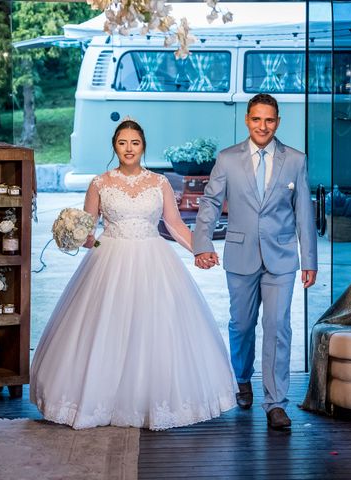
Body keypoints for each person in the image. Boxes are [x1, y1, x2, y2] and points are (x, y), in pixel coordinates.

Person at [30, 118, 236, 430]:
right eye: (123, 143)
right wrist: (78, 236)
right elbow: (90, 233)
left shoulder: (160, 183)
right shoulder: (100, 183)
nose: (129, 148)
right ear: (115, 146)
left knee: (154, 328)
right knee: (105, 328)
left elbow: (174, 225)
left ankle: (151, 401)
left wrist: (199, 249)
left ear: (143, 147)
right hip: (109, 257)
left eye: (135, 143)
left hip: (153, 256)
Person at [193, 93, 317, 431]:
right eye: (256, 119)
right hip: (240, 254)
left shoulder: (295, 159)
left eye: (270, 120)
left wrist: (310, 258)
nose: (263, 126)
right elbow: (210, 202)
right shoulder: (228, 159)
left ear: (278, 122)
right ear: (247, 120)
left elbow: (304, 211)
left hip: (281, 258)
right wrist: (201, 243)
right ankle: (242, 378)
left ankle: (276, 403)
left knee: (278, 327)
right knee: (242, 325)